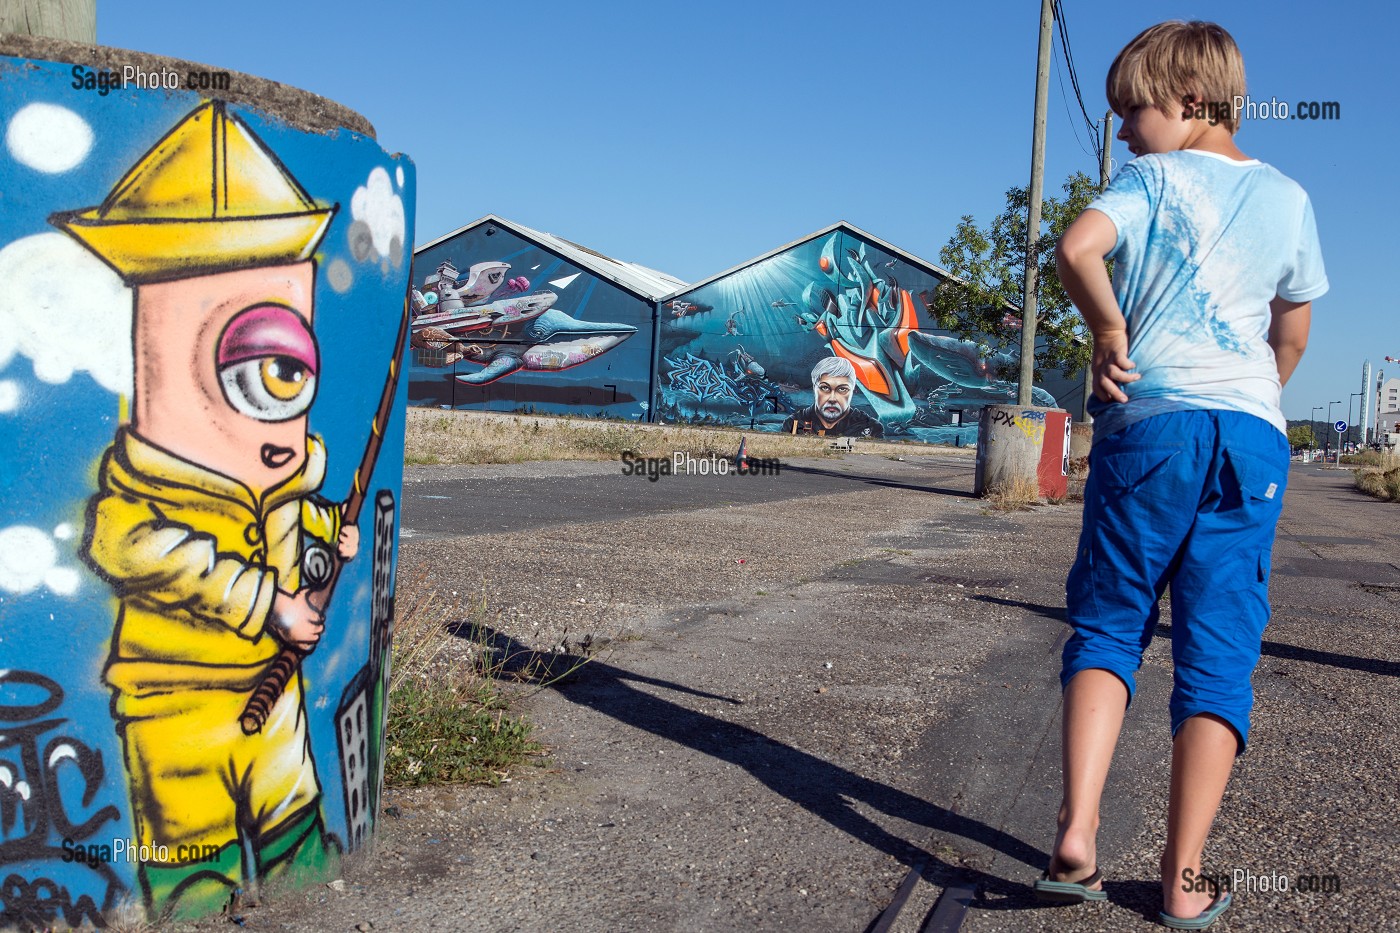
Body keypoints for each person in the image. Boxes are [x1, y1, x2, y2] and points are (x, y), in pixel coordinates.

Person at [1036, 21, 1326, 930]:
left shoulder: (1149, 181)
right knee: (1220, 648)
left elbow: (1076, 249)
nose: (1123, 132)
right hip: (1248, 437)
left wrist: (1110, 333)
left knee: (1111, 620)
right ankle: (1184, 874)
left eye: (1136, 112)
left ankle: (1078, 833)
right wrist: (1254, 399)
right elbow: (1294, 330)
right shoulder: (1289, 197)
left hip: (1149, 428)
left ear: (1193, 103)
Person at [59, 101, 357, 918]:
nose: (276, 404)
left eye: (288, 376)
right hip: (177, 700)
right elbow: (145, 549)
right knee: (193, 859)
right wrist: (268, 602)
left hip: (276, 693)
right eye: (260, 372)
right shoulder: (141, 493)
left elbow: (288, 531)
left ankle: (304, 905)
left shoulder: (283, 479)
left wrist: (332, 530)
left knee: (296, 830)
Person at [781, 356, 884, 438]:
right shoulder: (794, 423)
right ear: (814, 388)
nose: (832, 399)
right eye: (825, 388)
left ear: (853, 391)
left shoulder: (870, 427)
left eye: (842, 389)